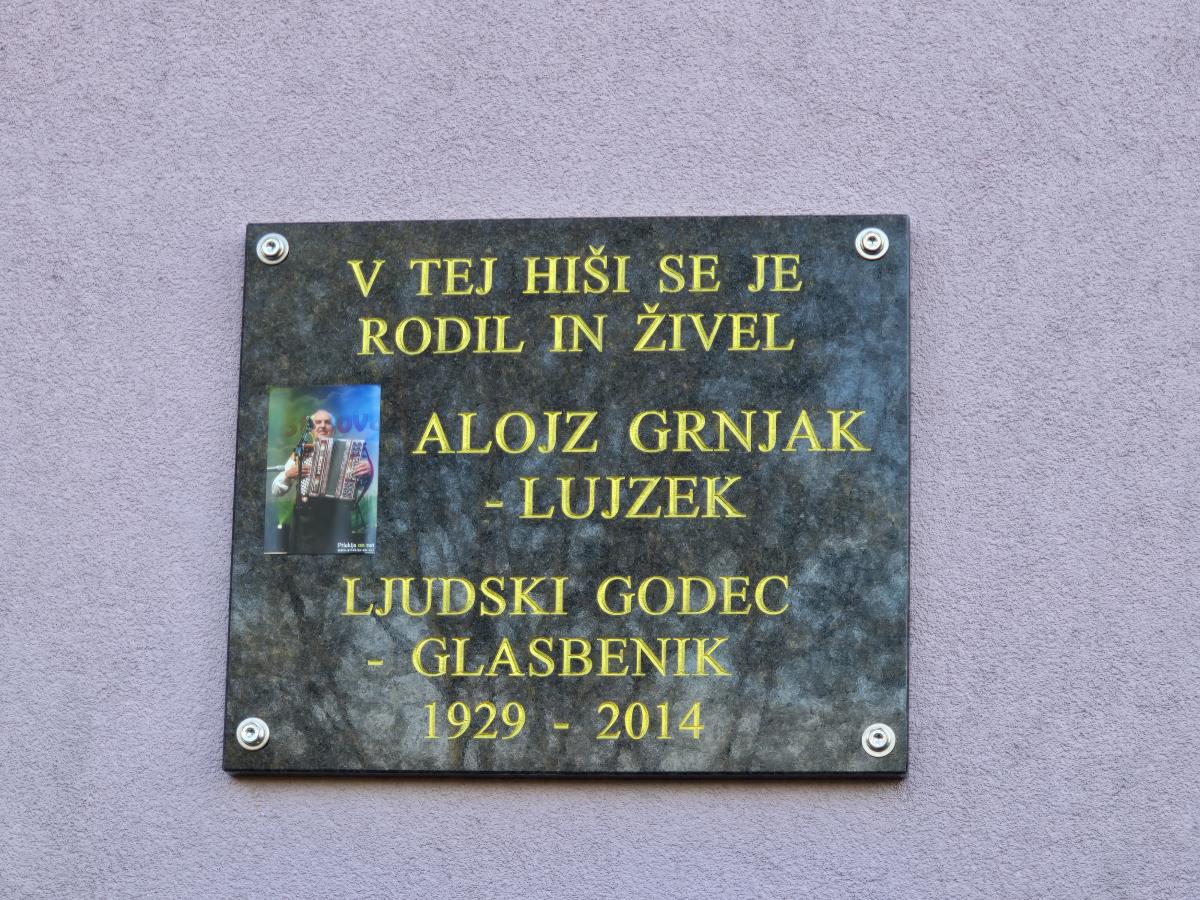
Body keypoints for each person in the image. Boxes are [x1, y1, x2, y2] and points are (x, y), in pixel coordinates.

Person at [271, 409, 374, 553]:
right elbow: (276, 491)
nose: (323, 426)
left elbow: (361, 485)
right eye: (318, 422)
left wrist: (367, 473)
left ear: (334, 429)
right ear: (311, 430)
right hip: (307, 523)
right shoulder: (301, 452)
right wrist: (287, 475)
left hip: (338, 520)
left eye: (327, 422)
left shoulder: (352, 452)